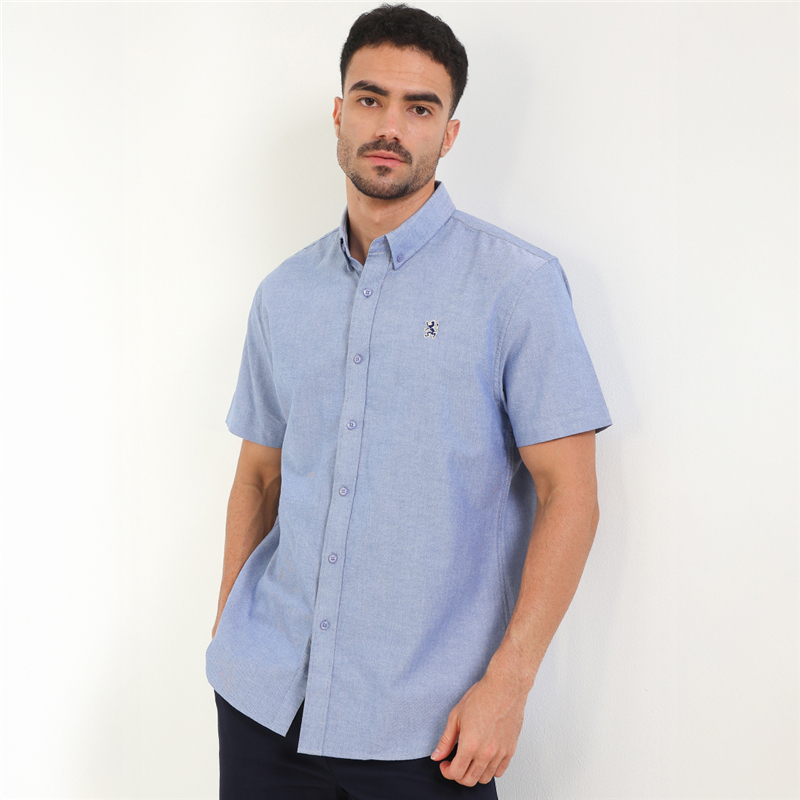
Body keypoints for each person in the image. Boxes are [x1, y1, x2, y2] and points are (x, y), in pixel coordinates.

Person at [206, 5, 611, 798]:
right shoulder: (284, 293)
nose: (390, 127)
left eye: (419, 108)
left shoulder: (517, 287)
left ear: (449, 133)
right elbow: (259, 474)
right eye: (371, 99)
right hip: (263, 702)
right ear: (339, 112)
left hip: (428, 726)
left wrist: (510, 682)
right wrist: (229, 632)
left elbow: (572, 493)